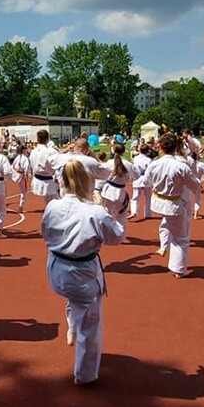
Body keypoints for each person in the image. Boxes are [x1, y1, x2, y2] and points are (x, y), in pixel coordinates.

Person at [42, 160, 123, 386]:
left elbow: (45, 232)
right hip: (82, 274)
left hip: (57, 270)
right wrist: (104, 209)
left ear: (61, 181)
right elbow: (116, 237)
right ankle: (84, 375)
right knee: (91, 323)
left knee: (74, 297)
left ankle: (71, 325)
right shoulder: (94, 212)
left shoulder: (52, 206)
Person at [144, 133, 202, 277]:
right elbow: (195, 185)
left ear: (160, 147)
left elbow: (146, 182)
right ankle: (179, 269)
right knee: (181, 238)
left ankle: (164, 246)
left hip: (158, 203)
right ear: (176, 147)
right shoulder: (180, 167)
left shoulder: (154, 164)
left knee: (167, 223)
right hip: (174, 204)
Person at [99, 143, 137, 240]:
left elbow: (101, 174)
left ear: (113, 150)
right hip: (121, 191)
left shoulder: (109, 163)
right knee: (122, 215)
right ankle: (121, 236)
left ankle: (107, 235)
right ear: (124, 151)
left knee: (107, 213)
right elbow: (136, 176)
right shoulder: (128, 164)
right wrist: (128, 179)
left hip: (108, 191)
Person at [29, 130, 61, 204]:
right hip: (49, 182)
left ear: (37, 139)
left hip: (37, 180)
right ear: (47, 139)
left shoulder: (33, 152)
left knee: (49, 203)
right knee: (56, 203)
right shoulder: (51, 152)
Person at [130, 143, 153, 221]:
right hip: (146, 178)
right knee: (148, 197)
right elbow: (150, 171)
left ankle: (134, 211)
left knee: (135, 197)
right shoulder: (149, 160)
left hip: (137, 177)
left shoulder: (135, 158)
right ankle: (148, 213)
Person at [11, 144, 31, 213]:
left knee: (23, 191)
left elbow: (12, 166)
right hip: (21, 175)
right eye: (25, 149)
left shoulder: (17, 157)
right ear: (23, 150)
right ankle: (21, 207)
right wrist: (26, 177)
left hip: (16, 175)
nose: (26, 150)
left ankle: (21, 206)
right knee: (24, 192)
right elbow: (26, 170)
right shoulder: (25, 159)